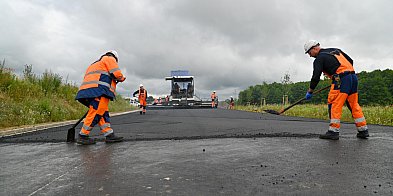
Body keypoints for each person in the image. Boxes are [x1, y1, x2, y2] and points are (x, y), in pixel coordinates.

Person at [304, 40, 369, 140]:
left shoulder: (319, 59)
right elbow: (350, 61)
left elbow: (316, 76)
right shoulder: (335, 50)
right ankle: (363, 130)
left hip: (341, 80)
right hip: (353, 77)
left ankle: (333, 131)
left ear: (314, 48)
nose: (310, 55)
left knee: (335, 103)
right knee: (353, 104)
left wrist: (310, 91)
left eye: (309, 52)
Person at [75, 50, 126, 145]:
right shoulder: (109, 58)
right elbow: (117, 74)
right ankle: (83, 135)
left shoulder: (96, 63)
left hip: (88, 91)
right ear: (115, 57)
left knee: (102, 113)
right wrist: (122, 78)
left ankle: (109, 134)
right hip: (99, 91)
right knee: (96, 112)